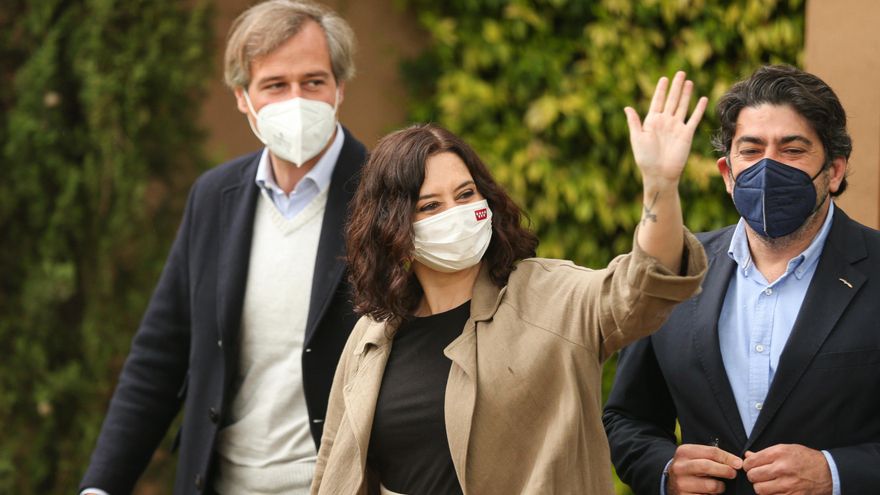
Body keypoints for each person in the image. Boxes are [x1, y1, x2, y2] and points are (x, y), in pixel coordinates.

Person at [310, 72, 708, 494]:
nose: (456, 213)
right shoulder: (373, 335)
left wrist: (660, 188)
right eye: (431, 205)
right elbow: (333, 459)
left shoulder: (553, 296)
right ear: (393, 228)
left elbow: (646, 286)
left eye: (465, 195)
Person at [80, 1, 366, 493]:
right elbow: (160, 355)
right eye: (275, 85)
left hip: (339, 483)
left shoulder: (385, 192)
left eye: (313, 82)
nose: (297, 100)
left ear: (339, 88)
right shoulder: (215, 198)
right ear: (243, 97)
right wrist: (101, 485)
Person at [604, 65, 880, 495]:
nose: (769, 167)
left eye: (792, 150)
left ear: (835, 170)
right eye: (751, 150)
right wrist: (664, 469)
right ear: (727, 174)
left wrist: (837, 472)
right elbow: (626, 419)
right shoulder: (675, 269)